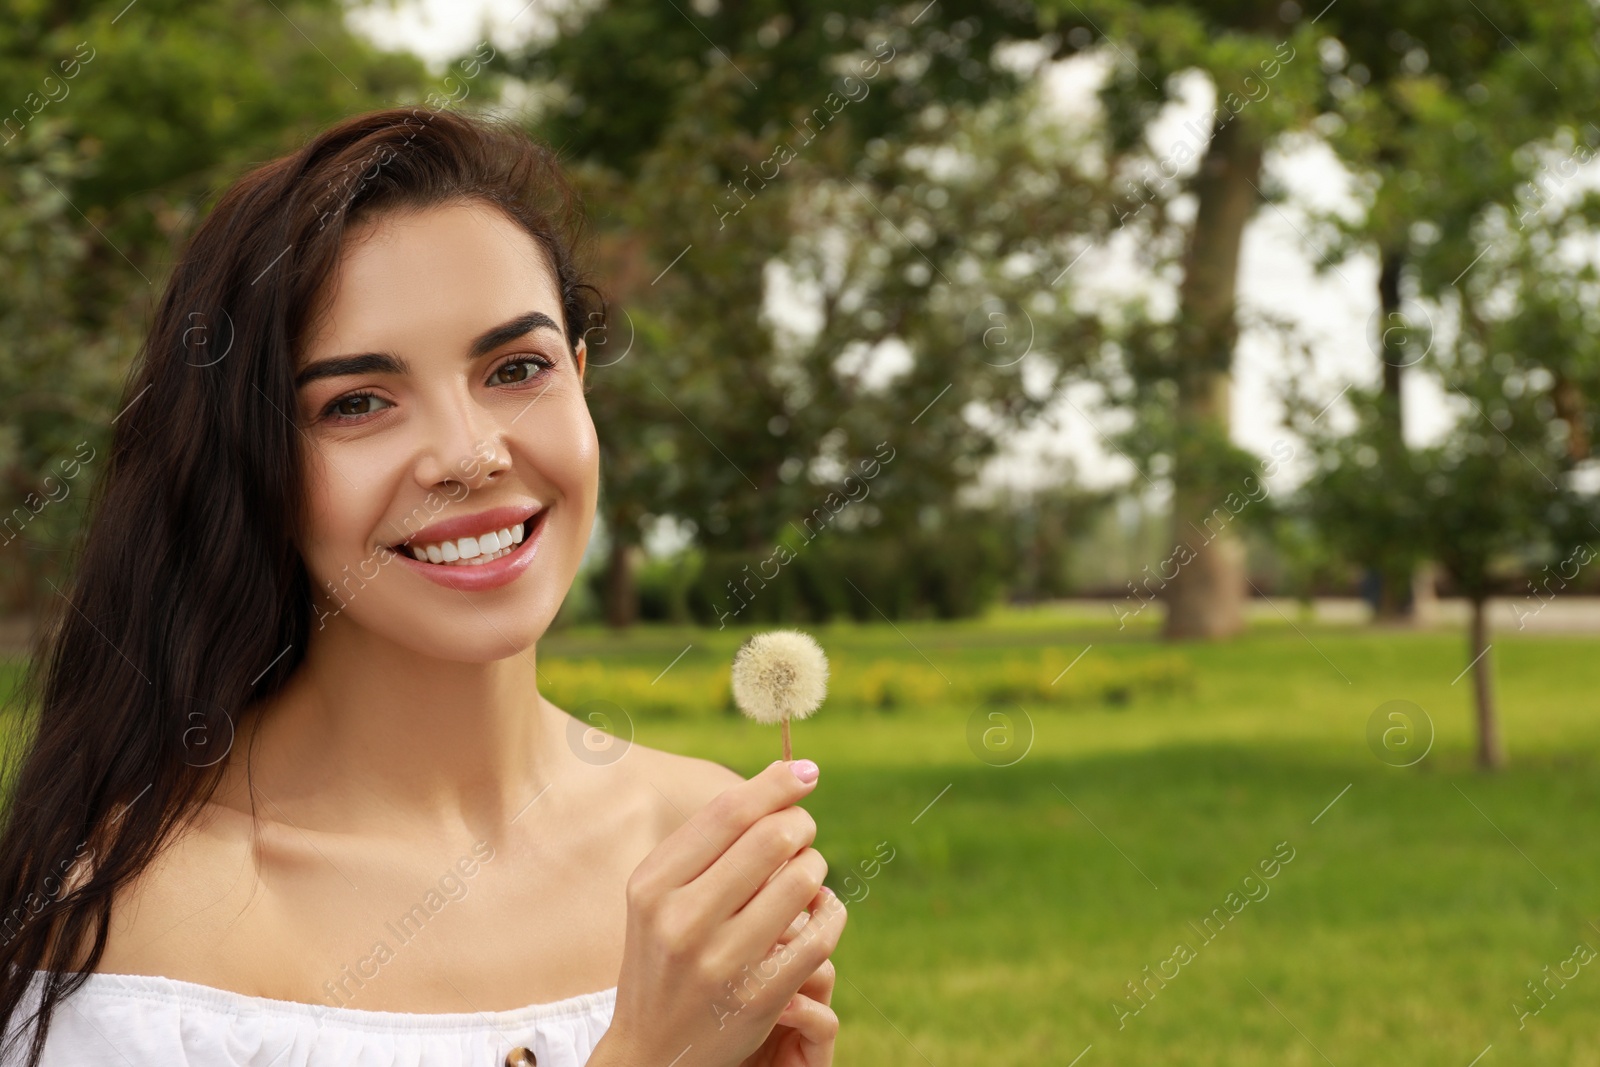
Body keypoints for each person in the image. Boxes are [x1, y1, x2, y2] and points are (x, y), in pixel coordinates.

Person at [0, 106, 846, 1067]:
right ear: (255, 463)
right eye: (358, 401)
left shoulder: (706, 851)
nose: (469, 454)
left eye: (515, 368)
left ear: (580, 379)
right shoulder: (136, 926)